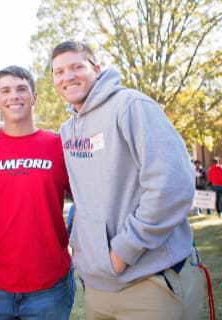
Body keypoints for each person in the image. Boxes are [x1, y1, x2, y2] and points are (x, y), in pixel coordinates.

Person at [51, 40, 205, 319]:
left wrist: (122, 252)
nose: (68, 77)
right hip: (98, 288)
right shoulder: (67, 129)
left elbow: (171, 186)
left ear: (96, 69)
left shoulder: (131, 106)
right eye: (59, 72)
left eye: (77, 67)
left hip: (150, 282)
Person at [0, 66, 75, 319]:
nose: (13, 96)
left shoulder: (59, 147)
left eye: (21, 89)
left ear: (34, 97)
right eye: (5, 91)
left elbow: (89, 201)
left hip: (49, 286)